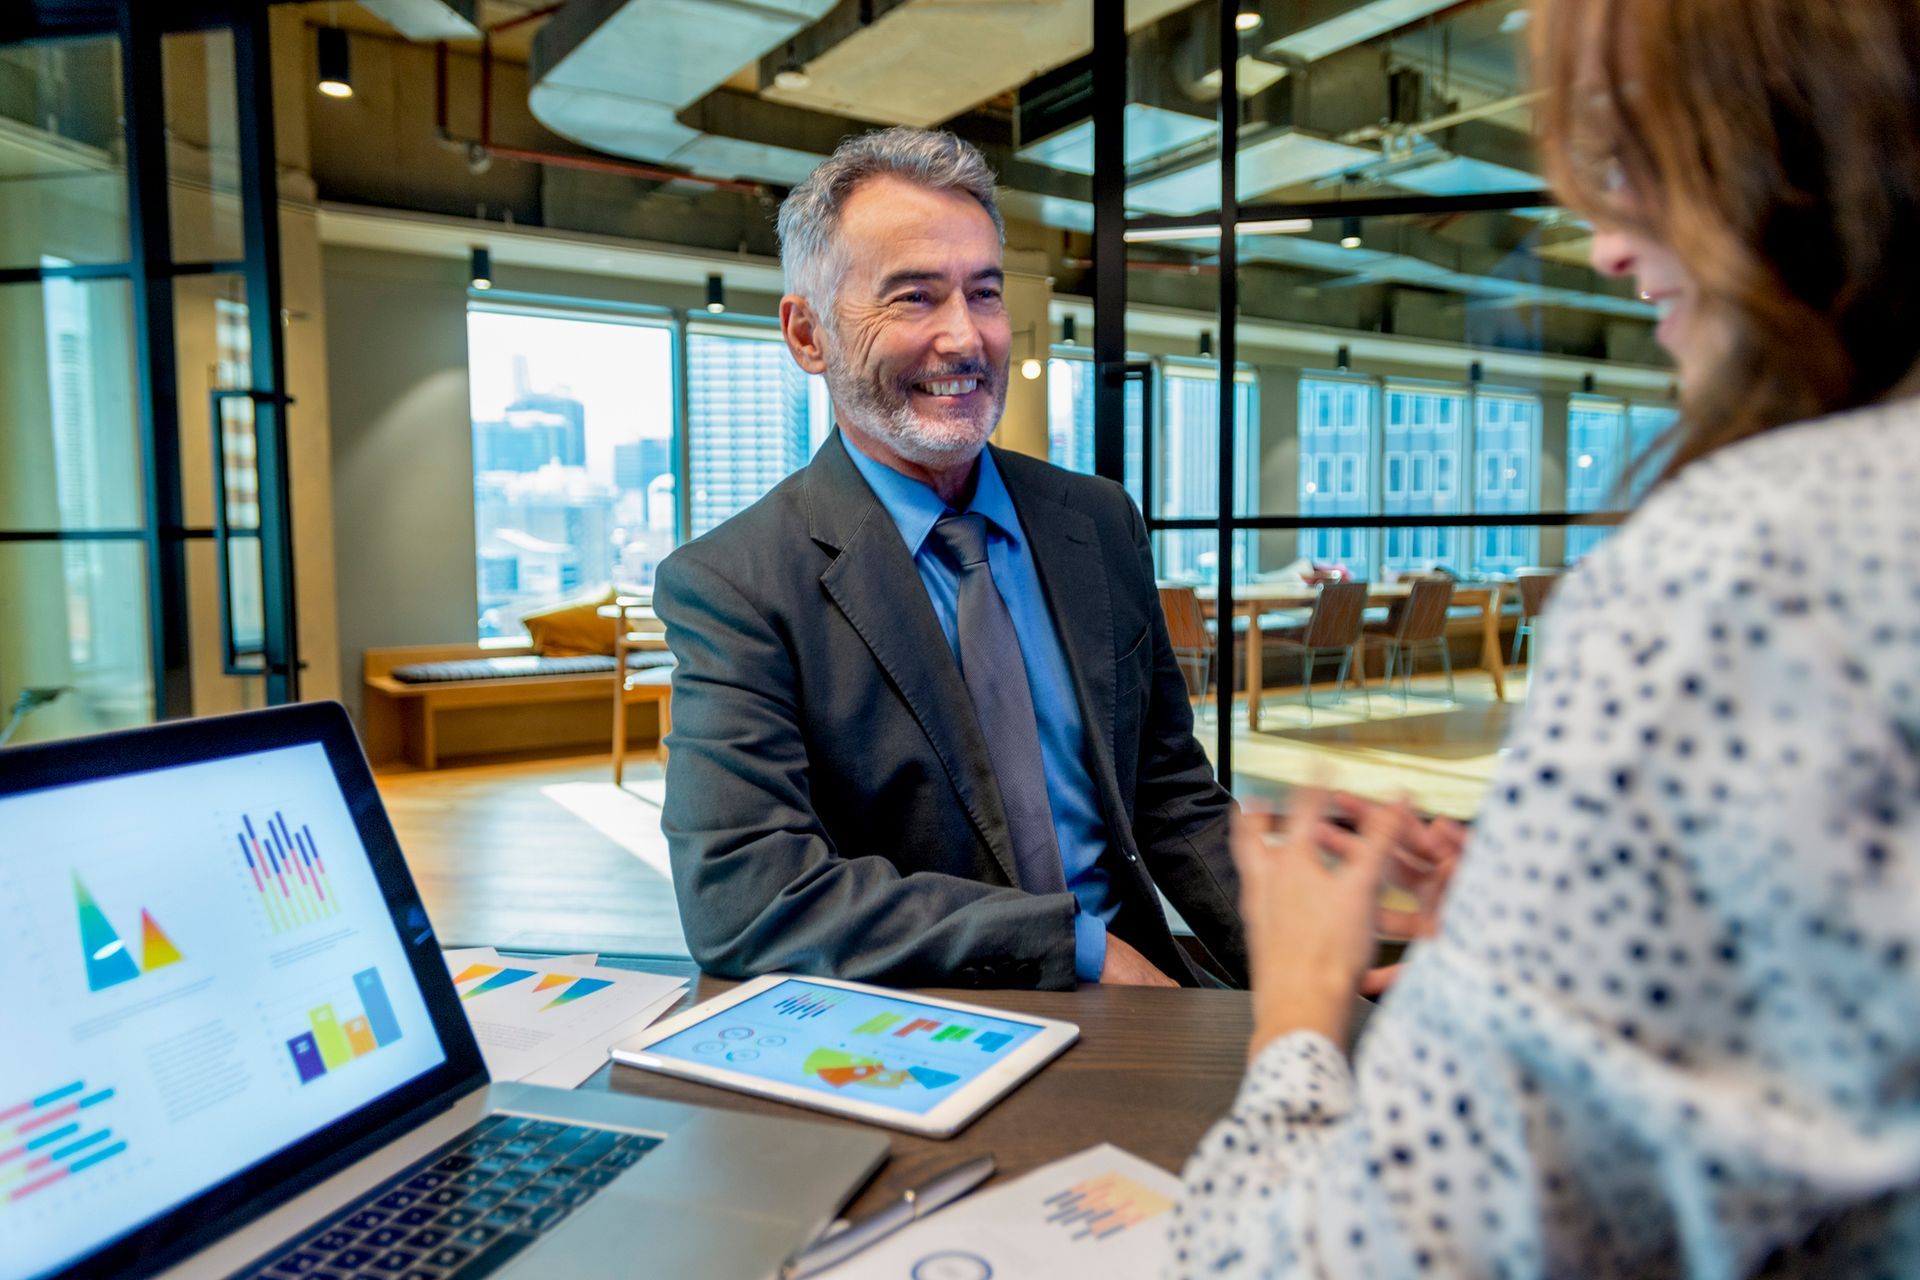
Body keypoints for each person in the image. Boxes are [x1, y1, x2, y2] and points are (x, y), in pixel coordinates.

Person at [1171, 0, 1920, 1273]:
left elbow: (1314, 1260)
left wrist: (1297, 1002)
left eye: (1635, 165)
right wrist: (1568, 913)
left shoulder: (1734, 566)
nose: (1606, 245)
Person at [652, 127, 1245, 991]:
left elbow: (1171, 796)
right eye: (915, 297)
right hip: (933, 1022)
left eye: (986, 293)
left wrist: (1316, 968)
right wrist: (1074, 946)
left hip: (1151, 997)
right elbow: (747, 898)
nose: (966, 338)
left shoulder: (1099, 521)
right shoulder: (735, 584)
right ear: (808, 333)